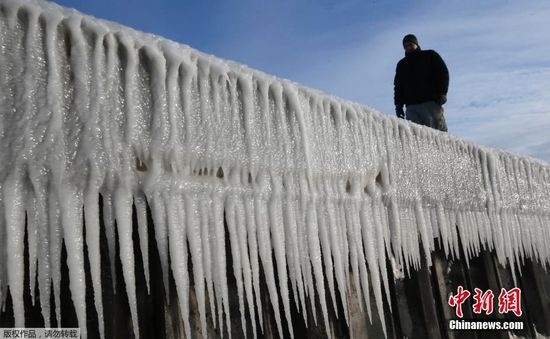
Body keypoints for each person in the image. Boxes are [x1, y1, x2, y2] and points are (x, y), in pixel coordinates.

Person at [394, 34, 449, 132]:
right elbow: (398, 86)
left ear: (416, 44)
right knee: (416, 136)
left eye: (410, 44)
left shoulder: (430, 55)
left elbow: (443, 73)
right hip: (412, 106)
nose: (408, 47)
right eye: (405, 46)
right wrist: (398, 106)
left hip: (431, 103)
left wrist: (443, 93)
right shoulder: (401, 65)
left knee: (438, 135)